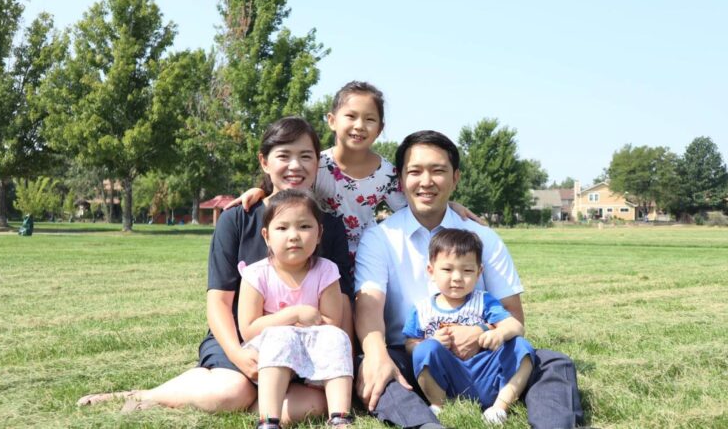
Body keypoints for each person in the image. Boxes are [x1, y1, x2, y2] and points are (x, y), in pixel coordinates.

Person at [77, 117, 353, 426]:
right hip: (241, 337)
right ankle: (145, 396)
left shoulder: (329, 226)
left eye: (306, 156)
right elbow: (219, 302)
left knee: (314, 404)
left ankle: (257, 406)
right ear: (264, 161)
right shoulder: (237, 218)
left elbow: (340, 304)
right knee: (230, 391)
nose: (295, 166)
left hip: (302, 347)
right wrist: (238, 356)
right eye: (283, 155)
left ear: (318, 162)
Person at [354, 130, 583, 429]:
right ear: (401, 180)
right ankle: (426, 424)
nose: (426, 181)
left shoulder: (484, 238)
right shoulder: (379, 238)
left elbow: (514, 317)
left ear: (456, 178)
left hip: (485, 357)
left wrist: (478, 333)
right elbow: (369, 308)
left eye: (438, 171)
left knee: (553, 363)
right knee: (370, 365)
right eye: (415, 171)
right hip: (415, 359)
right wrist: (376, 356)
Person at [225, 81, 482, 262]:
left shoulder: (388, 174)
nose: (359, 126)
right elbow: (286, 188)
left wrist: (452, 205)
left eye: (369, 119)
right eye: (351, 116)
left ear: (380, 128)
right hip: (318, 251)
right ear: (332, 120)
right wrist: (259, 189)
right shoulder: (316, 163)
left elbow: (414, 206)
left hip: (368, 255)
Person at [239, 189, 354, 428]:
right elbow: (249, 329)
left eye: (304, 227)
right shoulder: (256, 274)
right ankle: (269, 419)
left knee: (337, 337)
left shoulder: (326, 270)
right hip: (270, 351)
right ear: (266, 236)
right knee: (281, 335)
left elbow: (332, 320)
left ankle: (340, 416)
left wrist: (306, 326)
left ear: (320, 233)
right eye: (282, 228)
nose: (294, 236)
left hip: (314, 346)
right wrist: (294, 314)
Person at [403, 228, 535, 425]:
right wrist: (431, 342)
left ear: (479, 272)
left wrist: (499, 333)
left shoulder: (484, 301)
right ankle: (439, 405)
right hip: (449, 376)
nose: (457, 277)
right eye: (447, 269)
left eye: (467, 270)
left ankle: (499, 407)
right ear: (431, 271)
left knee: (521, 347)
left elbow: (516, 326)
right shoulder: (422, 309)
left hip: (485, 371)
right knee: (424, 349)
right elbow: (410, 344)